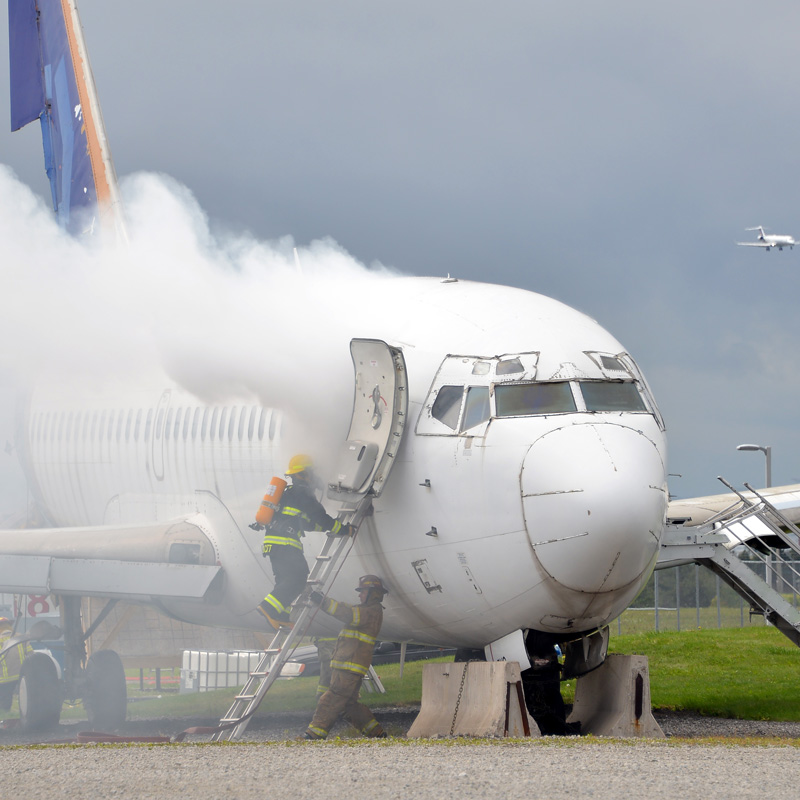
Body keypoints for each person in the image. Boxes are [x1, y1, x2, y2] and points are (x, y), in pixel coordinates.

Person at [255, 454, 351, 630]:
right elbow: (320, 517)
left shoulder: (288, 494)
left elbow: (307, 523)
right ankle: (268, 607)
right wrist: (343, 529)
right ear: (305, 474)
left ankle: (280, 613)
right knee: (298, 579)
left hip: (273, 544)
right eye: (312, 473)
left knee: (284, 579)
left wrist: (329, 527)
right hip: (286, 544)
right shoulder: (303, 495)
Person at [302, 574, 388, 740]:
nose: (360, 595)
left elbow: (346, 613)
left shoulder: (370, 612)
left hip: (350, 665)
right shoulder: (368, 610)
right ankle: (376, 734)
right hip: (348, 665)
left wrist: (323, 601)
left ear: (373, 593)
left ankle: (313, 734)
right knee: (348, 705)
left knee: (331, 698)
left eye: (363, 591)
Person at [0, 618, 32, 711]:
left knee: (5, 701)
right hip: (22, 675)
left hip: (4, 678)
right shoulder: (21, 637)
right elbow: (31, 654)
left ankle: (5, 714)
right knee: (26, 697)